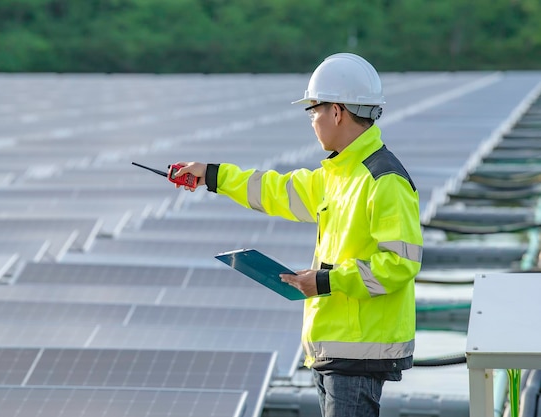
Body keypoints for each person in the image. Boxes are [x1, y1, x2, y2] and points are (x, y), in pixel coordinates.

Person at [173, 52, 423, 417]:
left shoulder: (383, 180)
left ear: (336, 111)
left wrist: (325, 282)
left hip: (358, 352)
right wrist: (211, 175)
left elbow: (400, 264)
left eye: (314, 110)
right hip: (335, 350)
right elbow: (276, 190)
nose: (312, 120)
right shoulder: (340, 175)